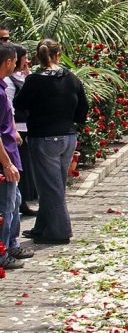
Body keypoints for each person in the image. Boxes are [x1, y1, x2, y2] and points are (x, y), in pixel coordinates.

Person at [14, 39, 89, 245]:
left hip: (44, 138)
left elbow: (18, 105)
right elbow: (83, 108)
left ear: (38, 56)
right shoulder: (72, 78)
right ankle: (42, 226)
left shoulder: (34, 81)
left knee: (50, 186)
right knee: (54, 185)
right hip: (68, 137)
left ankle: (59, 231)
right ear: (59, 54)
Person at [0, 43, 31, 269]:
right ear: (9, 62)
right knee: (6, 206)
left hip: (10, 150)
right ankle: (3, 252)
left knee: (15, 201)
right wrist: (7, 163)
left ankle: (11, 244)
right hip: (5, 158)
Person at [4, 44, 37, 216]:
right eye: (24, 58)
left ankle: (21, 202)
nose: (27, 61)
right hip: (15, 130)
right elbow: (9, 109)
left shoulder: (19, 77)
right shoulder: (7, 83)